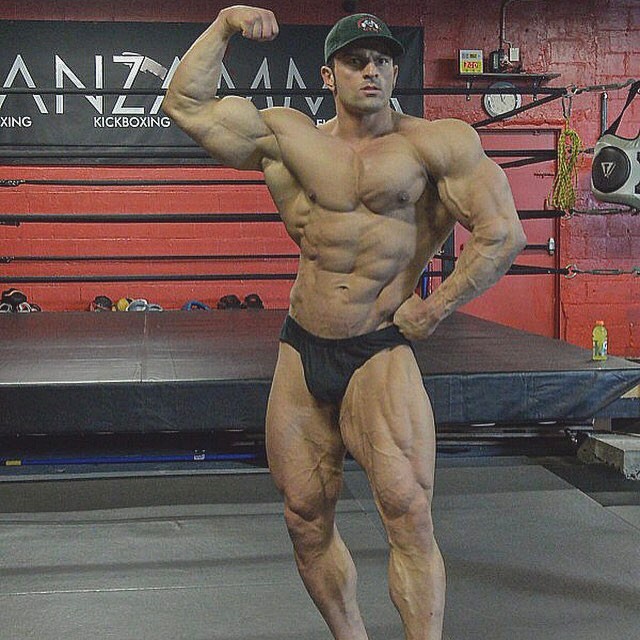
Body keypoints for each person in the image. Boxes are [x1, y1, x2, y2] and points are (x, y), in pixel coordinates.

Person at [163, 7, 526, 640]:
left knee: (408, 515)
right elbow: (186, 105)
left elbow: (502, 234)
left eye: (383, 60)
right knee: (304, 517)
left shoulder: (436, 145)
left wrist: (435, 306)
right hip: (302, 348)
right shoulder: (289, 138)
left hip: (379, 345)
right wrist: (224, 24)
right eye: (357, 61)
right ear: (328, 74)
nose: (372, 70)